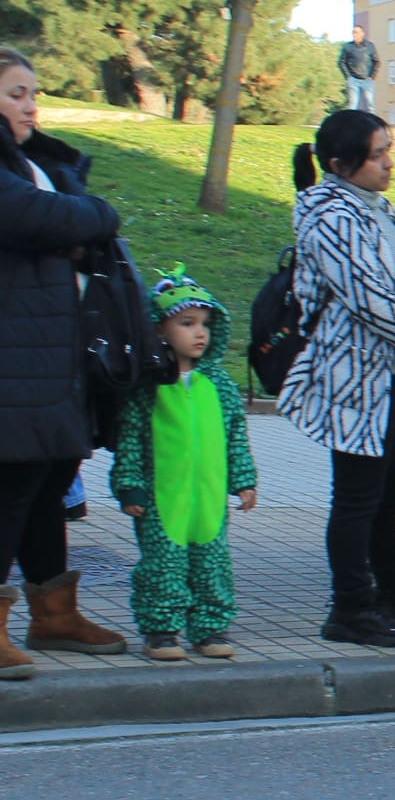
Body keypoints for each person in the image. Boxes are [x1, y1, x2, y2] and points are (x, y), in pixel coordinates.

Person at [279, 109, 395, 647]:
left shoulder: (373, 205)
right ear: (338, 164)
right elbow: (368, 296)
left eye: (388, 149)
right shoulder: (331, 214)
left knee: (386, 487)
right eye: (377, 154)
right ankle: (349, 608)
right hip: (352, 375)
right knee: (357, 495)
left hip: (385, 373)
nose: (389, 162)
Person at [0, 45, 128, 677]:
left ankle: (53, 615)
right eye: (16, 93)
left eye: (34, 93)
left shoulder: (32, 161)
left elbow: (55, 221)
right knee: (13, 486)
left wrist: (77, 227)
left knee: (51, 480)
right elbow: (34, 215)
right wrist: (95, 216)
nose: (31, 105)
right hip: (13, 360)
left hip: (53, 354)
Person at [107, 266, 258, 661]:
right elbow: (131, 440)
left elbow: (235, 436)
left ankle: (210, 628)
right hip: (162, 499)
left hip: (208, 500)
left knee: (212, 564)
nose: (199, 333)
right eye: (187, 323)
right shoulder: (150, 385)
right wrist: (129, 484)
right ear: (160, 330)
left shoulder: (220, 386)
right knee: (163, 565)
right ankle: (162, 630)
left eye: (205, 324)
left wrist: (243, 479)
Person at [338, 25, 379, 113]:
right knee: (352, 105)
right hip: (353, 80)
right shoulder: (348, 47)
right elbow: (341, 62)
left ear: (362, 34)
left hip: (367, 79)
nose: (354, 34)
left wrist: (372, 76)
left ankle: (371, 125)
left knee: (370, 104)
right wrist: (348, 76)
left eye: (357, 32)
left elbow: (377, 61)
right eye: (353, 32)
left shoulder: (370, 46)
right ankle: (351, 124)